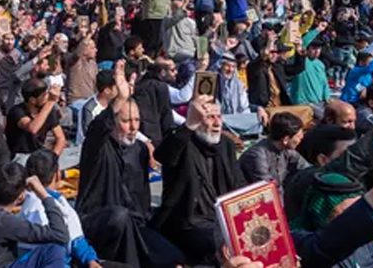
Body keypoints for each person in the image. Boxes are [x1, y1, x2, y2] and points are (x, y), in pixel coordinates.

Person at [75, 97, 185, 267]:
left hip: (136, 224)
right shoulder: (99, 149)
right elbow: (96, 131)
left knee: (174, 259)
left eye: (136, 120)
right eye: (126, 121)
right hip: (103, 224)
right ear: (113, 122)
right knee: (120, 217)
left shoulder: (140, 150)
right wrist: (119, 98)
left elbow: (142, 201)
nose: (133, 128)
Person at [151, 95, 246, 265]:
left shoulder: (226, 145)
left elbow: (238, 184)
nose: (217, 123)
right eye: (210, 117)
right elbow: (163, 155)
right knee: (219, 243)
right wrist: (189, 125)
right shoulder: (183, 143)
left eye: (219, 117)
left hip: (220, 218)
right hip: (187, 221)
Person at [291, 157, 373, 268]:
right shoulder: (292, 247)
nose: (353, 209)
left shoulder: (366, 244)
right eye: (348, 209)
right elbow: (325, 247)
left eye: (357, 203)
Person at [0, 162, 68, 268]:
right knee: (54, 250)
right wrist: (44, 195)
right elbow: (60, 234)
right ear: (21, 197)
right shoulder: (4, 221)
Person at [21, 149, 103, 268]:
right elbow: (73, 242)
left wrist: (91, 260)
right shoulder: (49, 204)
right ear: (57, 175)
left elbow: (76, 239)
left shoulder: (23, 204)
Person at [238, 112, 309, 189]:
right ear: (286, 139)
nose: (301, 138)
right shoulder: (257, 156)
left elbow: (307, 170)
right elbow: (269, 189)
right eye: (298, 136)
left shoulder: (287, 151)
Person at [5, 78, 67, 160]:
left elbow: (60, 138)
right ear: (32, 100)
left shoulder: (47, 110)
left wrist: (53, 158)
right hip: (21, 156)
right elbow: (33, 128)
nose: (47, 97)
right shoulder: (16, 111)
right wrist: (51, 102)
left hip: (40, 154)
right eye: (44, 95)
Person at [289, 39, 331, 118]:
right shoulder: (300, 61)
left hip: (319, 102)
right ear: (307, 49)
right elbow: (303, 42)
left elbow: (324, 83)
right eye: (314, 48)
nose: (317, 51)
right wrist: (317, 29)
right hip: (302, 103)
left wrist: (327, 97)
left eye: (319, 49)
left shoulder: (320, 64)